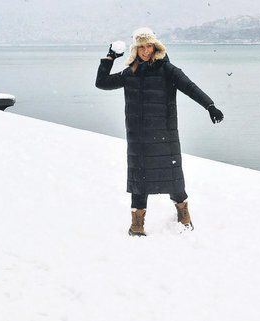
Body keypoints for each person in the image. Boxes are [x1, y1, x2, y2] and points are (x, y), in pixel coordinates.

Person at [95, 27, 224, 236]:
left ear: (156, 46)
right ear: (135, 50)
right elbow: (101, 83)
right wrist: (109, 57)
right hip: (138, 137)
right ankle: (137, 223)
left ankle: (184, 214)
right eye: (141, 47)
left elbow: (190, 87)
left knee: (173, 177)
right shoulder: (130, 73)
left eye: (149, 46)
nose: (146, 50)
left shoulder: (167, 69)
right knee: (139, 180)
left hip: (165, 134)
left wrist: (210, 106)